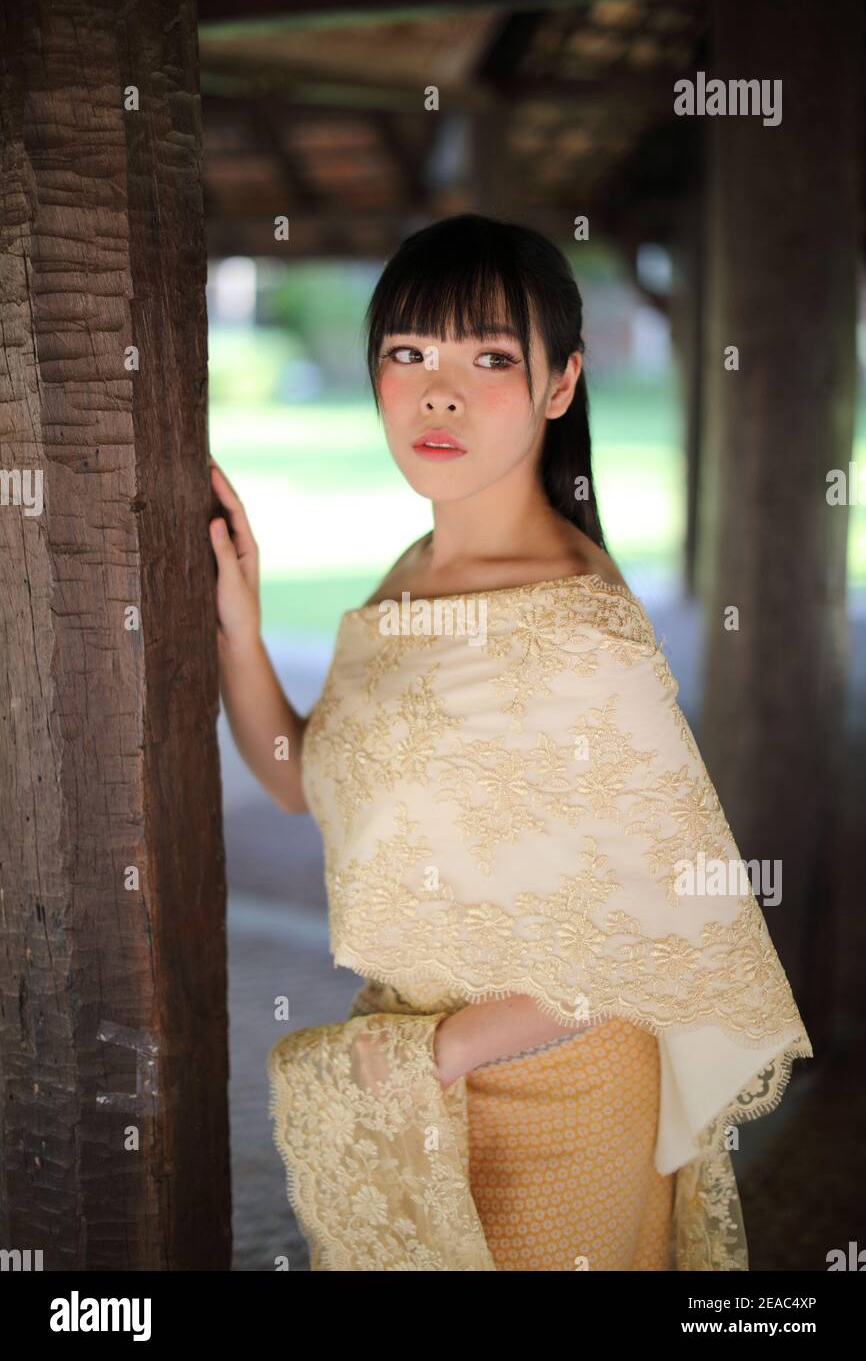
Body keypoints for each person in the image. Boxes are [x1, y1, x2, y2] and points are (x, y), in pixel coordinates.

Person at [209, 213, 813, 1272]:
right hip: (423, 1078)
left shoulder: (576, 627)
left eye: (488, 356)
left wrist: (427, 1055)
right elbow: (299, 780)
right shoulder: (411, 570)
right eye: (409, 354)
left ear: (558, 383)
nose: (438, 393)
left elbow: (655, 927)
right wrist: (238, 631)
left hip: (560, 1090)